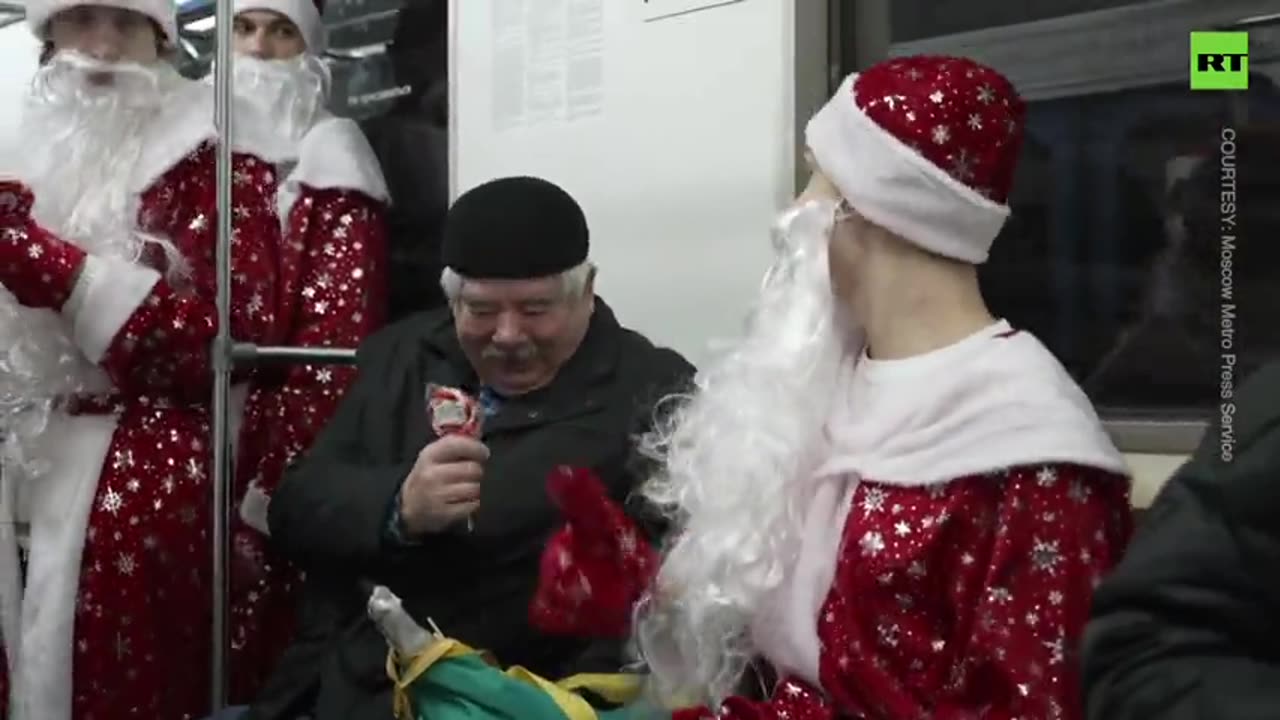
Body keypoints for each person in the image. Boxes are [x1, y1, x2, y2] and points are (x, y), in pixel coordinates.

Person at [531, 56, 1134, 719]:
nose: (795, 208)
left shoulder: (1033, 460)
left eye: (815, 179)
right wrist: (642, 589)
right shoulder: (829, 388)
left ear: (867, 208)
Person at [0, 0, 382, 716]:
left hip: (142, 491)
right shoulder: (21, 149)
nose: (104, 46)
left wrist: (51, 268)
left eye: (127, 23)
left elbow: (221, 340)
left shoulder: (212, 154)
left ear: (164, 39)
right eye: (82, 19)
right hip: (25, 463)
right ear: (48, 34)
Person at [247, 176, 695, 720]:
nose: (506, 334)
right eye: (480, 311)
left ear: (586, 289)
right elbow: (296, 507)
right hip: (355, 685)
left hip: (516, 696)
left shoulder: (653, 391)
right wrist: (399, 506)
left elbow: (685, 584)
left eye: (535, 310)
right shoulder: (403, 355)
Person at [225, 0, 392, 701]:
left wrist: (278, 469)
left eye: (281, 29)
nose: (260, 48)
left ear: (310, 49)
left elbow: (333, 340)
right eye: (244, 27)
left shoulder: (333, 160)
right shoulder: (189, 149)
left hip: (266, 431)